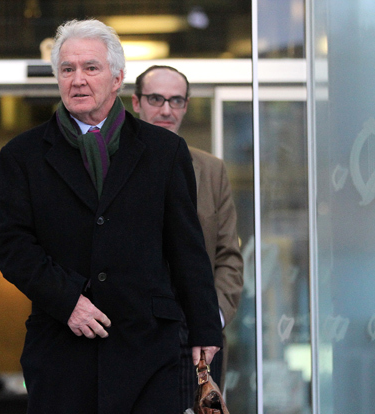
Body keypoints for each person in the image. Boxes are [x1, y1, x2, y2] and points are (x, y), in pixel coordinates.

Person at [0, 19, 223, 414]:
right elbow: (12, 245)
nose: (77, 80)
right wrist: (67, 300)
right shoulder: (21, 156)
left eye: (90, 68)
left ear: (117, 78)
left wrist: (204, 326)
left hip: (148, 349)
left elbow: (187, 246)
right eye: (67, 69)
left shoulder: (165, 151)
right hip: (62, 351)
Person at [132, 65, 244, 411]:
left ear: (186, 105)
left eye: (176, 100)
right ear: (136, 103)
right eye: (156, 99)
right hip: (135, 334)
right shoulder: (113, 166)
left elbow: (228, 255)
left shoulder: (210, 170)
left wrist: (211, 319)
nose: (166, 109)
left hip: (198, 338)